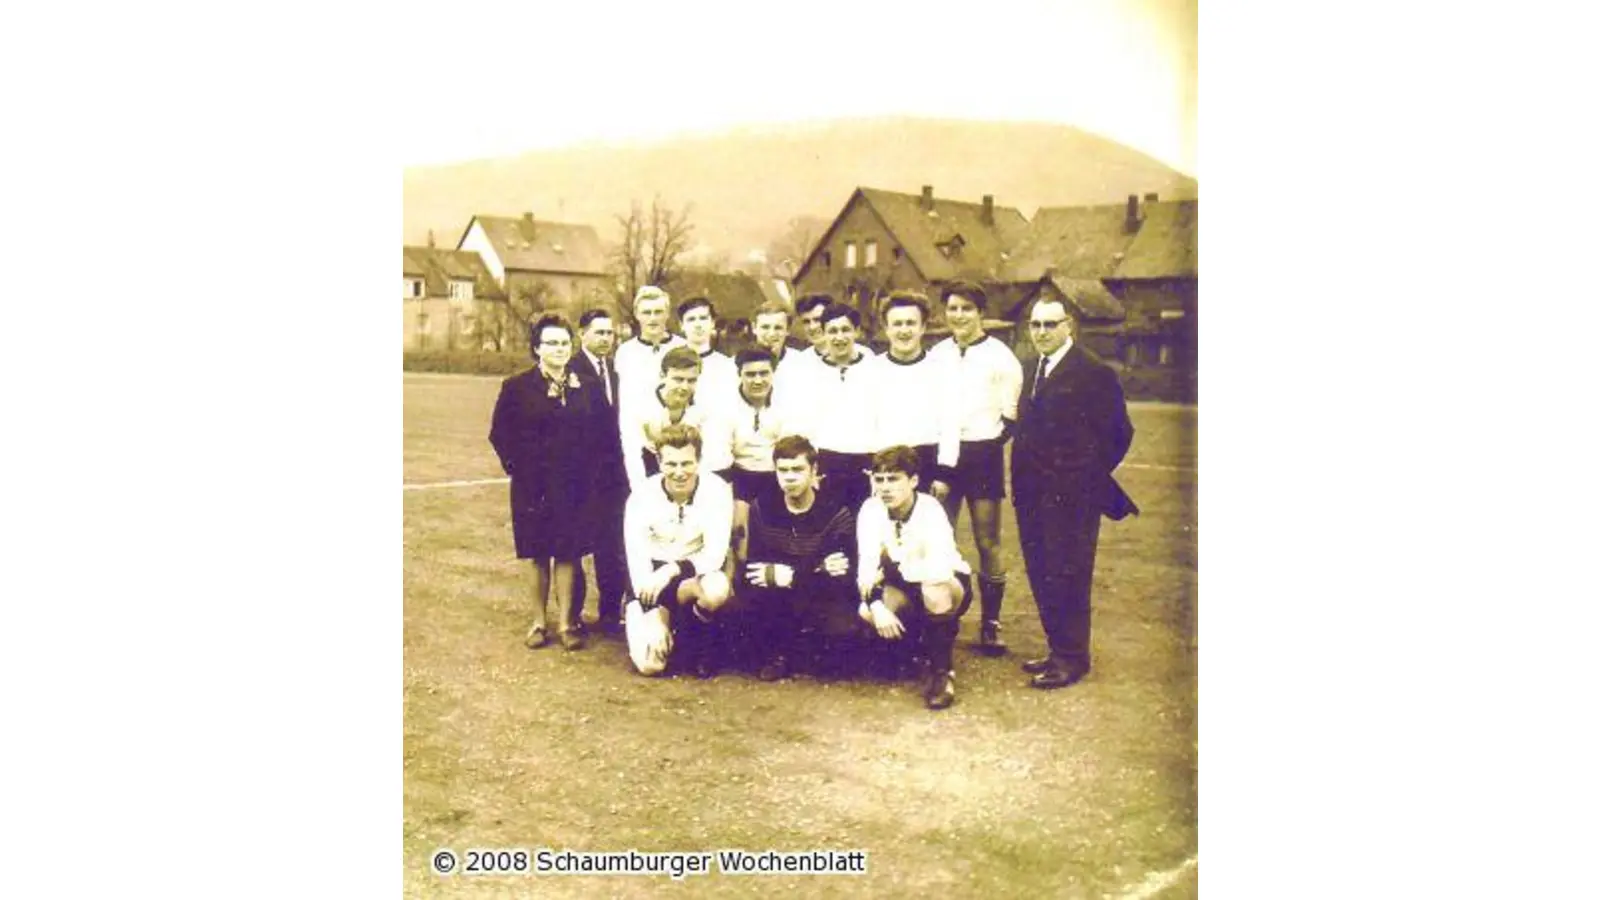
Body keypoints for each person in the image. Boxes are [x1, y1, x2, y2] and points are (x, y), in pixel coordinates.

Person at [1011, 296, 1138, 690]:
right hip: (1031, 493)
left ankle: (1072, 659)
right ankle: (1056, 649)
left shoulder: (1093, 372)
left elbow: (1120, 433)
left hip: (1073, 497)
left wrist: (1082, 475)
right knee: (1041, 571)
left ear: (1069, 325)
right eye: (1036, 325)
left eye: (1051, 324)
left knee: (1069, 574)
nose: (1042, 333)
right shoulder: (1033, 368)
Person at [488, 313, 605, 652]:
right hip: (531, 487)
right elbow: (499, 434)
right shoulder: (517, 387)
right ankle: (539, 622)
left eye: (564, 342)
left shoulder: (588, 385)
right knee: (537, 554)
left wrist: (589, 475)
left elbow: (601, 435)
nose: (558, 348)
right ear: (537, 348)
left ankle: (568, 623)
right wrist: (519, 468)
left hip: (573, 486)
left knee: (568, 554)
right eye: (551, 342)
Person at [927, 281, 1023, 656]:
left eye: (967, 308)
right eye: (952, 308)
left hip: (982, 456)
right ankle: (942, 619)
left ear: (981, 313)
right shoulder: (937, 355)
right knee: (940, 538)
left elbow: (1010, 417)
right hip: (943, 458)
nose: (959, 316)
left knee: (987, 541)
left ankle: (991, 623)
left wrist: (983, 446)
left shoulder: (1001, 357)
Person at [855, 446, 972, 710]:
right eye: (879, 479)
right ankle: (914, 648)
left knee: (934, 588)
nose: (885, 488)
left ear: (914, 481)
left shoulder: (930, 509)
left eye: (894, 479)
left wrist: (895, 566)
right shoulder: (871, 510)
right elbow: (866, 568)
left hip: (948, 587)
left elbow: (940, 568)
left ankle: (942, 673)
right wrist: (876, 605)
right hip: (904, 586)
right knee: (867, 611)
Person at [736, 435, 857, 681]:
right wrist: (814, 568)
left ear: (814, 471)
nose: (790, 477)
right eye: (783, 470)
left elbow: (840, 575)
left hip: (820, 598)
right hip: (778, 599)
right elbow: (757, 569)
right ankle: (779, 654)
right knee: (749, 607)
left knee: (842, 631)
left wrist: (790, 575)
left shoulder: (836, 511)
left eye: (798, 469)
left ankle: (801, 653)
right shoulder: (763, 508)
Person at [622, 424, 735, 679]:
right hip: (652, 580)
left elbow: (715, 555)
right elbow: (637, 561)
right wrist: (652, 616)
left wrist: (672, 570)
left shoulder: (717, 490)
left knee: (717, 589)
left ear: (699, 461)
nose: (680, 472)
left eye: (687, 463)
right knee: (651, 666)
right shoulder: (641, 497)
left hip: (694, 574)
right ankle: (655, 619)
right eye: (671, 464)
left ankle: (692, 636)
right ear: (659, 462)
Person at [567, 307, 629, 636]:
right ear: (582, 334)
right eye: (599, 332)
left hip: (612, 478)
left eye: (610, 333)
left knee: (611, 546)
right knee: (577, 547)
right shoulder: (571, 369)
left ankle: (609, 613)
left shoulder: (616, 372)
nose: (606, 338)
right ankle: (572, 616)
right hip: (581, 477)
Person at [789, 302, 883, 508]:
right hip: (826, 463)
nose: (839, 337)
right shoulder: (809, 373)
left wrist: (879, 466)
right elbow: (803, 424)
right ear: (823, 333)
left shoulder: (876, 369)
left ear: (856, 332)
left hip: (865, 464)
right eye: (832, 331)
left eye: (845, 330)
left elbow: (883, 420)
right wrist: (811, 470)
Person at [874, 292, 959, 505]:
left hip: (927, 463)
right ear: (886, 329)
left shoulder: (942, 369)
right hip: (885, 466)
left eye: (911, 323)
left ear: (923, 327)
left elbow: (950, 424)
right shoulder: (871, 369)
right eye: (897, 324)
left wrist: (944, 473)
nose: (904, 330)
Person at [618, 346, 731, 492]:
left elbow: (711, 454)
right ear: (662, 375)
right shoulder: (639, 405)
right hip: (650, 468)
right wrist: (641, 493)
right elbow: (632, 455)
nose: (684, 387)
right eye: (678, 379)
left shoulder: (705, 405)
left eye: (691, 381)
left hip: (690, 470)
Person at [614, 285, 686, 410]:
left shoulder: (682, 347)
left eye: (658, 312)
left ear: (667, 313)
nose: (652, 318)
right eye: (646, 313)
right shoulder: (625, 352)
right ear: (637, 315)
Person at [677, 296, 738, 417]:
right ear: (681, 326)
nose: (698, 325)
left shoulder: (728, 366)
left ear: (712, 323)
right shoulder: (671, 363)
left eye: (703, 318)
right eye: (691, 319)